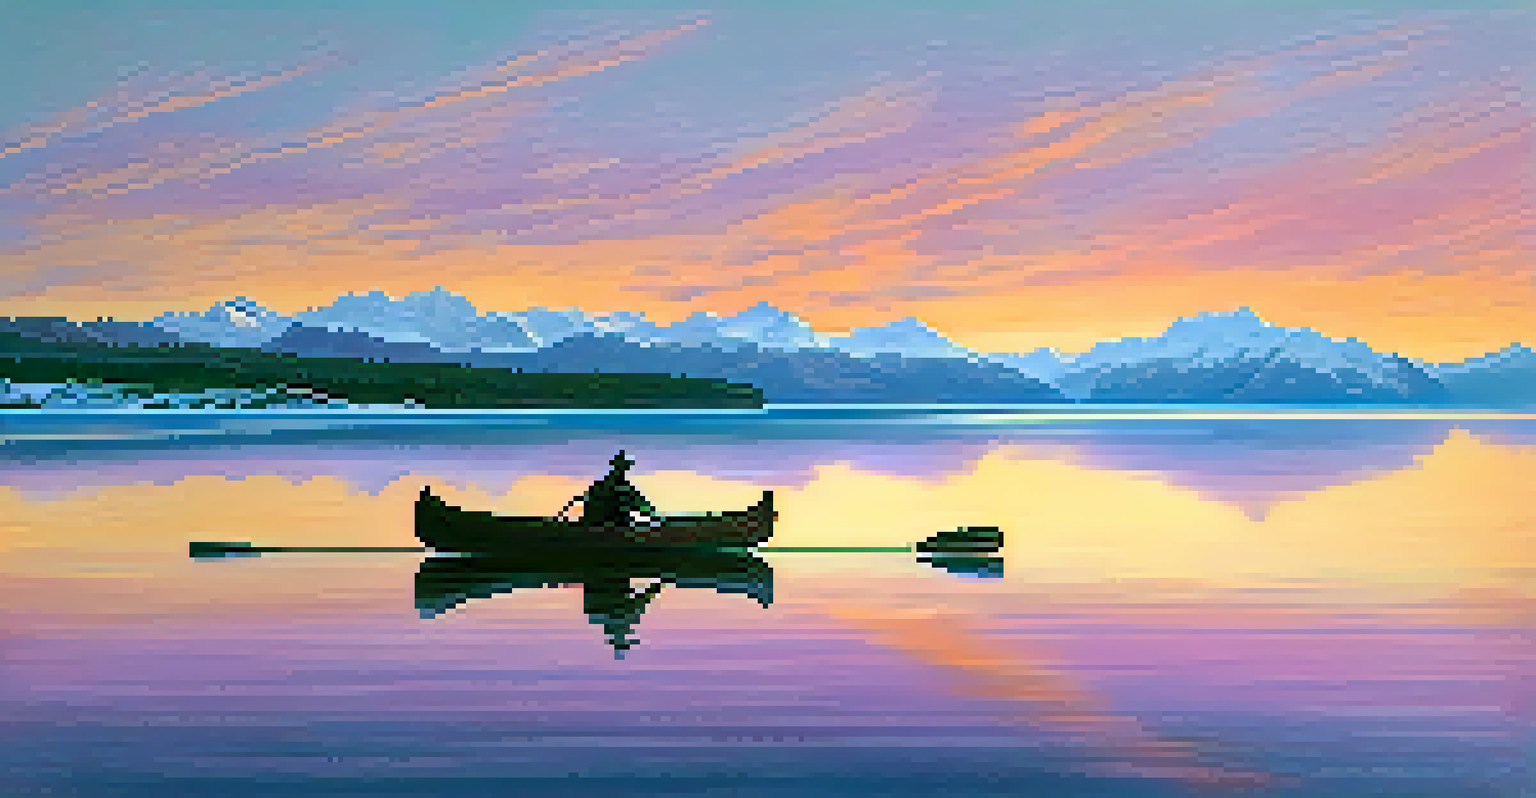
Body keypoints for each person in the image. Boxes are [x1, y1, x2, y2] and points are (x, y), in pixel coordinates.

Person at [578, 451, 659, 528]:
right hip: (614, 527)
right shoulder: (624, 488)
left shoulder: (598, 486)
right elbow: (644, 507)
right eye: (625, 466)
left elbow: (643, 506)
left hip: (592, 525)